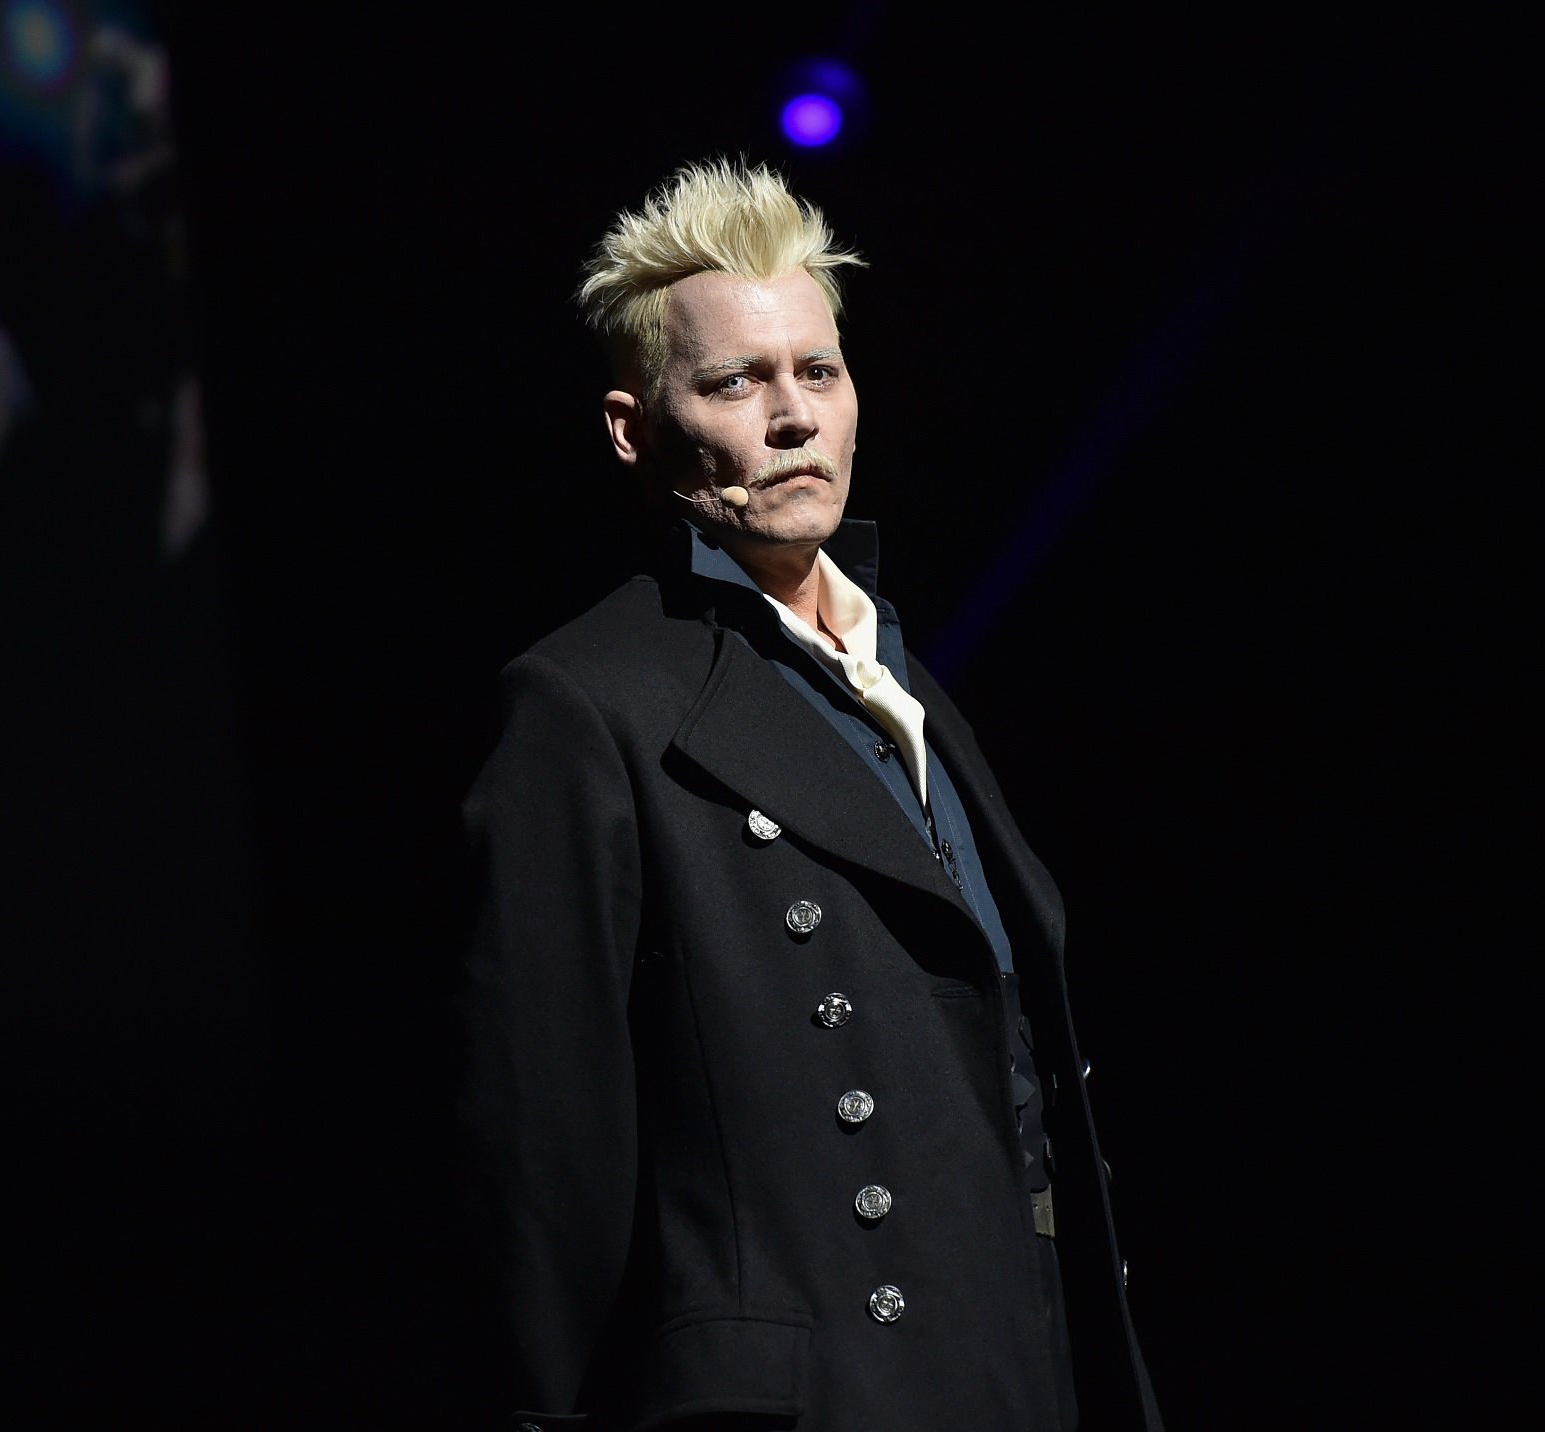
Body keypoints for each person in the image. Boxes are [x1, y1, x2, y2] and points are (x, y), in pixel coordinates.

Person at [452, 157, 1163, 1431]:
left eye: (816, 373)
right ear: (633, 426)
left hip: (1018, 1368)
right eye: (733, 381)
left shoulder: (906, 677)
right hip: (818, 1395)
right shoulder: (585, 702)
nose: (791, 417)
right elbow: (541, 1156)